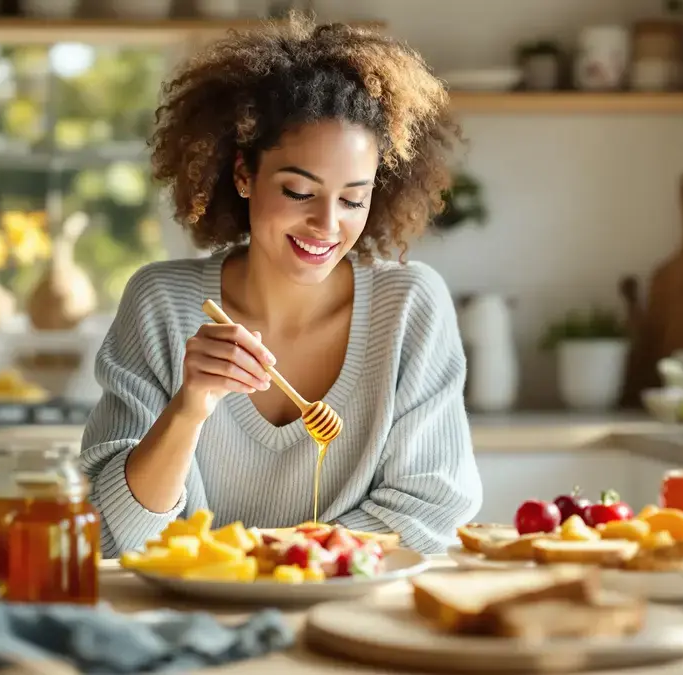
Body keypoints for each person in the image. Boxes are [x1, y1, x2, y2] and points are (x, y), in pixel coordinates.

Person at [79, 14, 481, 558]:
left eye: (353, 199)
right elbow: (112, 531)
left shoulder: (410, 307)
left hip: (351, 602)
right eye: (298, 192)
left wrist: (266, 560)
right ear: (244, 175)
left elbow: (430, 508)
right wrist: (189, 408)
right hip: (193, 602)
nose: (326, 224)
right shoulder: (162, 304)